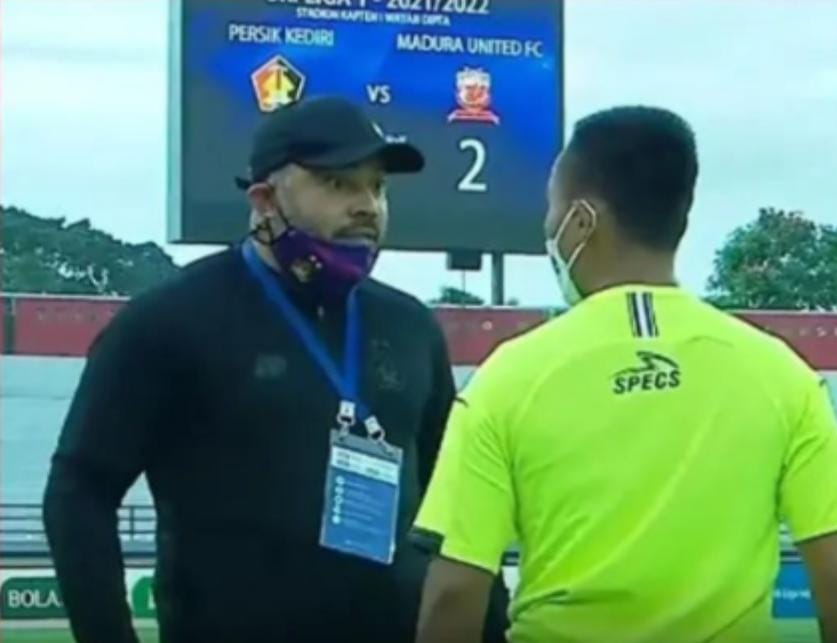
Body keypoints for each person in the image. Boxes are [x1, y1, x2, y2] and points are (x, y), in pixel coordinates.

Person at [411, 106, 837, 643]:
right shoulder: (782, 375)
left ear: (582, 221)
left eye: (552, 209)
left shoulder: (508, 378)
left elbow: (455, 593)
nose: (549, 229)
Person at [43, 96, 509, 643]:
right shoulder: (168, 322)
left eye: (377, 187)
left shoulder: (410, 328)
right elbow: (80, 491)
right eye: (338, 184)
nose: (367, 206)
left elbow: (452, 509)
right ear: (264, 200)